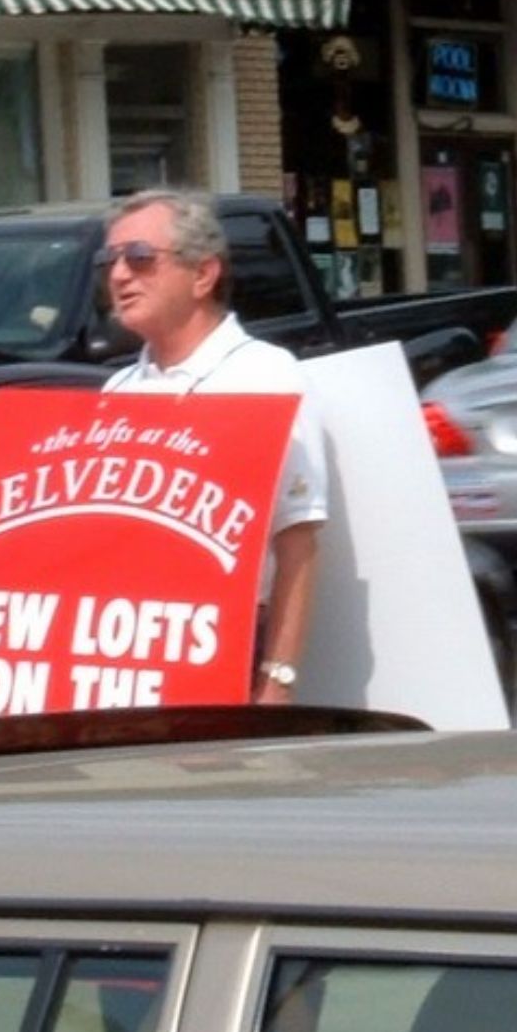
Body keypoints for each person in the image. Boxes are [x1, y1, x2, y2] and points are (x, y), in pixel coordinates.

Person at [99, 190, 327, 706]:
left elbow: (299, 543)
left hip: (226, 648)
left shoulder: (266, 377)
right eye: (109, 261)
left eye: (138, 258)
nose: (118, 276)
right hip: (125, 657)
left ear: (203, 274)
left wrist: (276, 682)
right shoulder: (118, 391)